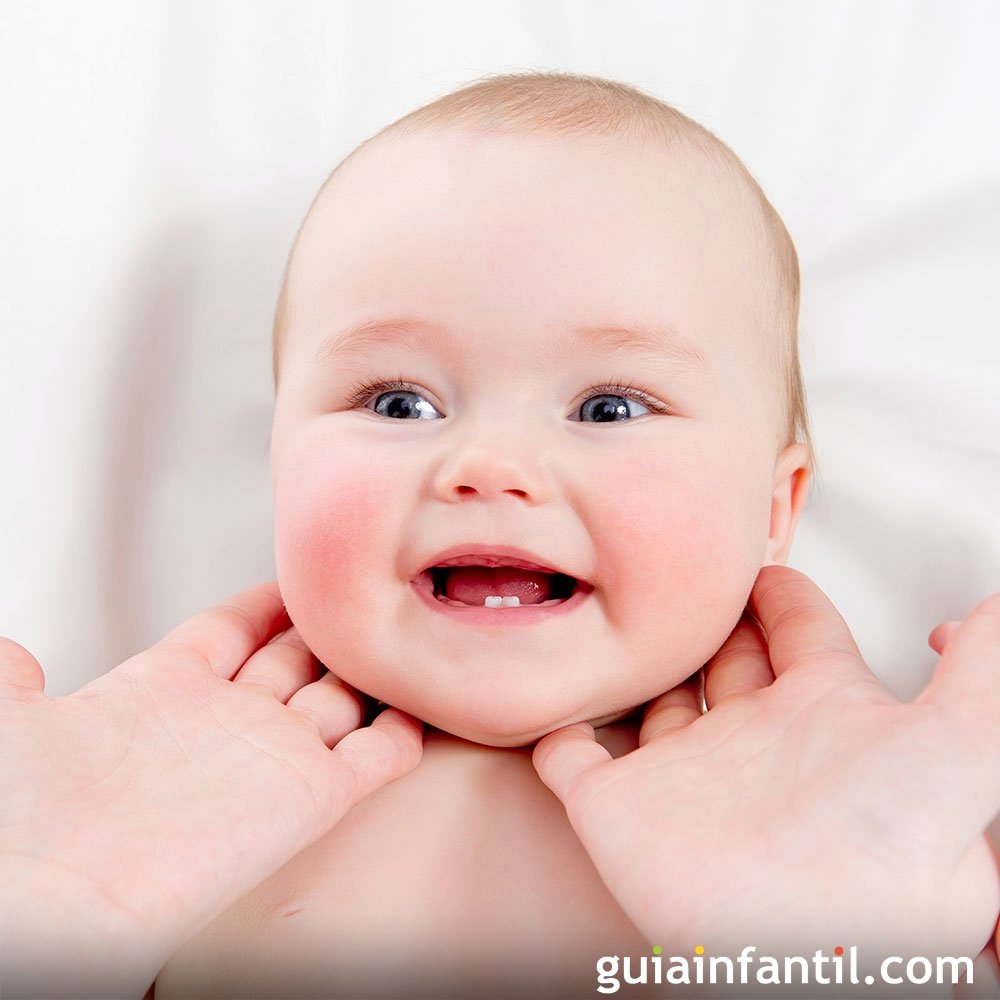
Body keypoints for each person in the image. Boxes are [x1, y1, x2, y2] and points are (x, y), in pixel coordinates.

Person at [2, 72, 997, 998]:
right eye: (397, 401)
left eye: (609, 407)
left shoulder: (829, 836)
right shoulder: (163, 815)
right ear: (277, 470)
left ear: (772, 511)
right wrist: (51, 900)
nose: (491, 465)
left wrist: (834, 941)